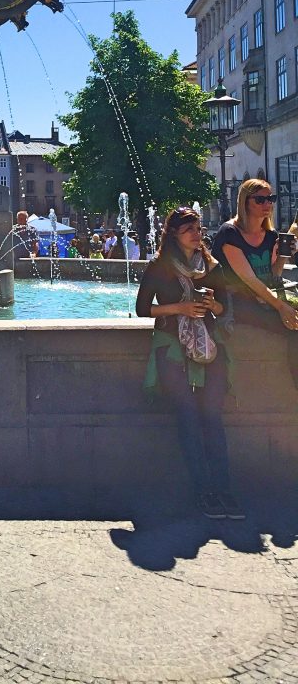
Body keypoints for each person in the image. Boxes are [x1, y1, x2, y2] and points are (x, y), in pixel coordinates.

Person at [135, 206, 240, 519]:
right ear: (175, 235)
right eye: (190, 229)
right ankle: (203, 492)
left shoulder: (211, 264)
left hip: (209, 346)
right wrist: (178, 307)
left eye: (198, 228)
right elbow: (142, 309)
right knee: (189, 419)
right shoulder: (159, 266)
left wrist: (213, 304)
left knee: (212, 418)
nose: (197, 234)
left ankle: (225, 491)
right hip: (172, 348)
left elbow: (224, 308)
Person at [211, 178, 298, 338]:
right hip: (237, 302)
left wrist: (283, 256)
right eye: (260, 200)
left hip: (264, 298)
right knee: (292, 328)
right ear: (245, 202)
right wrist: (281, 307)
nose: (268, 204)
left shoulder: (271, 235)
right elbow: (250, 279)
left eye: (271, 199)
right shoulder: (230, 233)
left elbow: (274, 275)